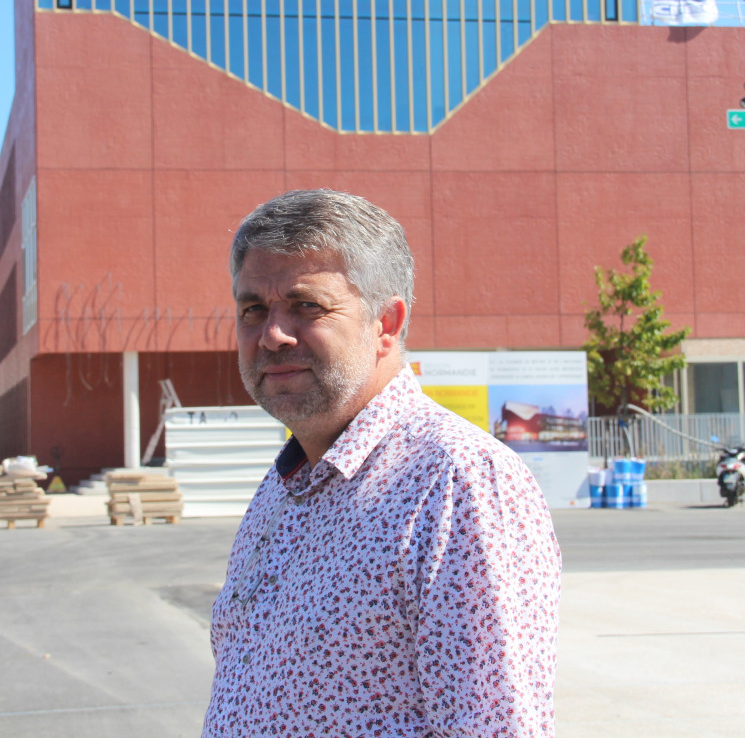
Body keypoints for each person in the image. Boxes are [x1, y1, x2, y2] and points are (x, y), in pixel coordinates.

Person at [204, 189, 561, 737]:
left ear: (386, 323)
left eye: (306, 306)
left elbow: (494, 726)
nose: (272, 334)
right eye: (253, 309)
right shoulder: (283, 487)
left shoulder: (456, 482)